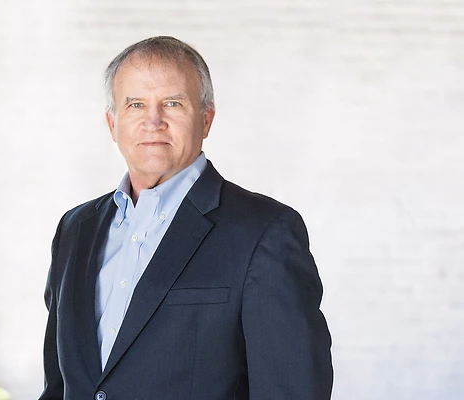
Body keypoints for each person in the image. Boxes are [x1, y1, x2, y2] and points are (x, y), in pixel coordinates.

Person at [40, 36, 333, 400]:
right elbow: (58, 386)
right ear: (112, 123)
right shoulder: (75, 229)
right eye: (135, 104)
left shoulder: (265, 232)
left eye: (173, 103)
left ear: (206, 119)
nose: (153, 121)